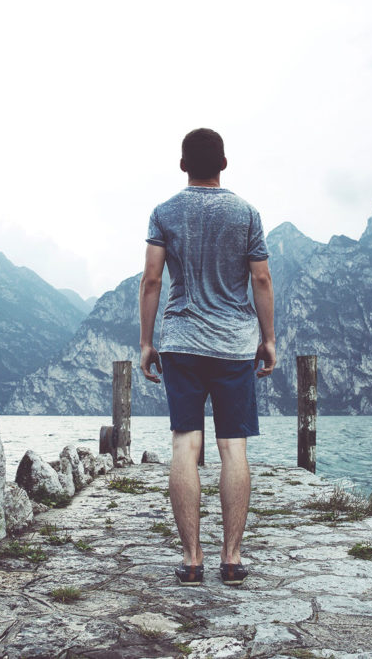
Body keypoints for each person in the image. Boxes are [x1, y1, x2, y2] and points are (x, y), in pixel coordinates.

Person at [139, 128, 276, 587]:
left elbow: (152, 281)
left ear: (183, 165)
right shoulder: (247, 214)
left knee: (185, 446)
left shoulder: (164, 213)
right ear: (224, 163)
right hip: (234, 346)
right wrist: (269, 338)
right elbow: (261, 281)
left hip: (181, 343)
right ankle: (231, 559)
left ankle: (192, 559)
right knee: (232, 449)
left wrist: (146, 342)